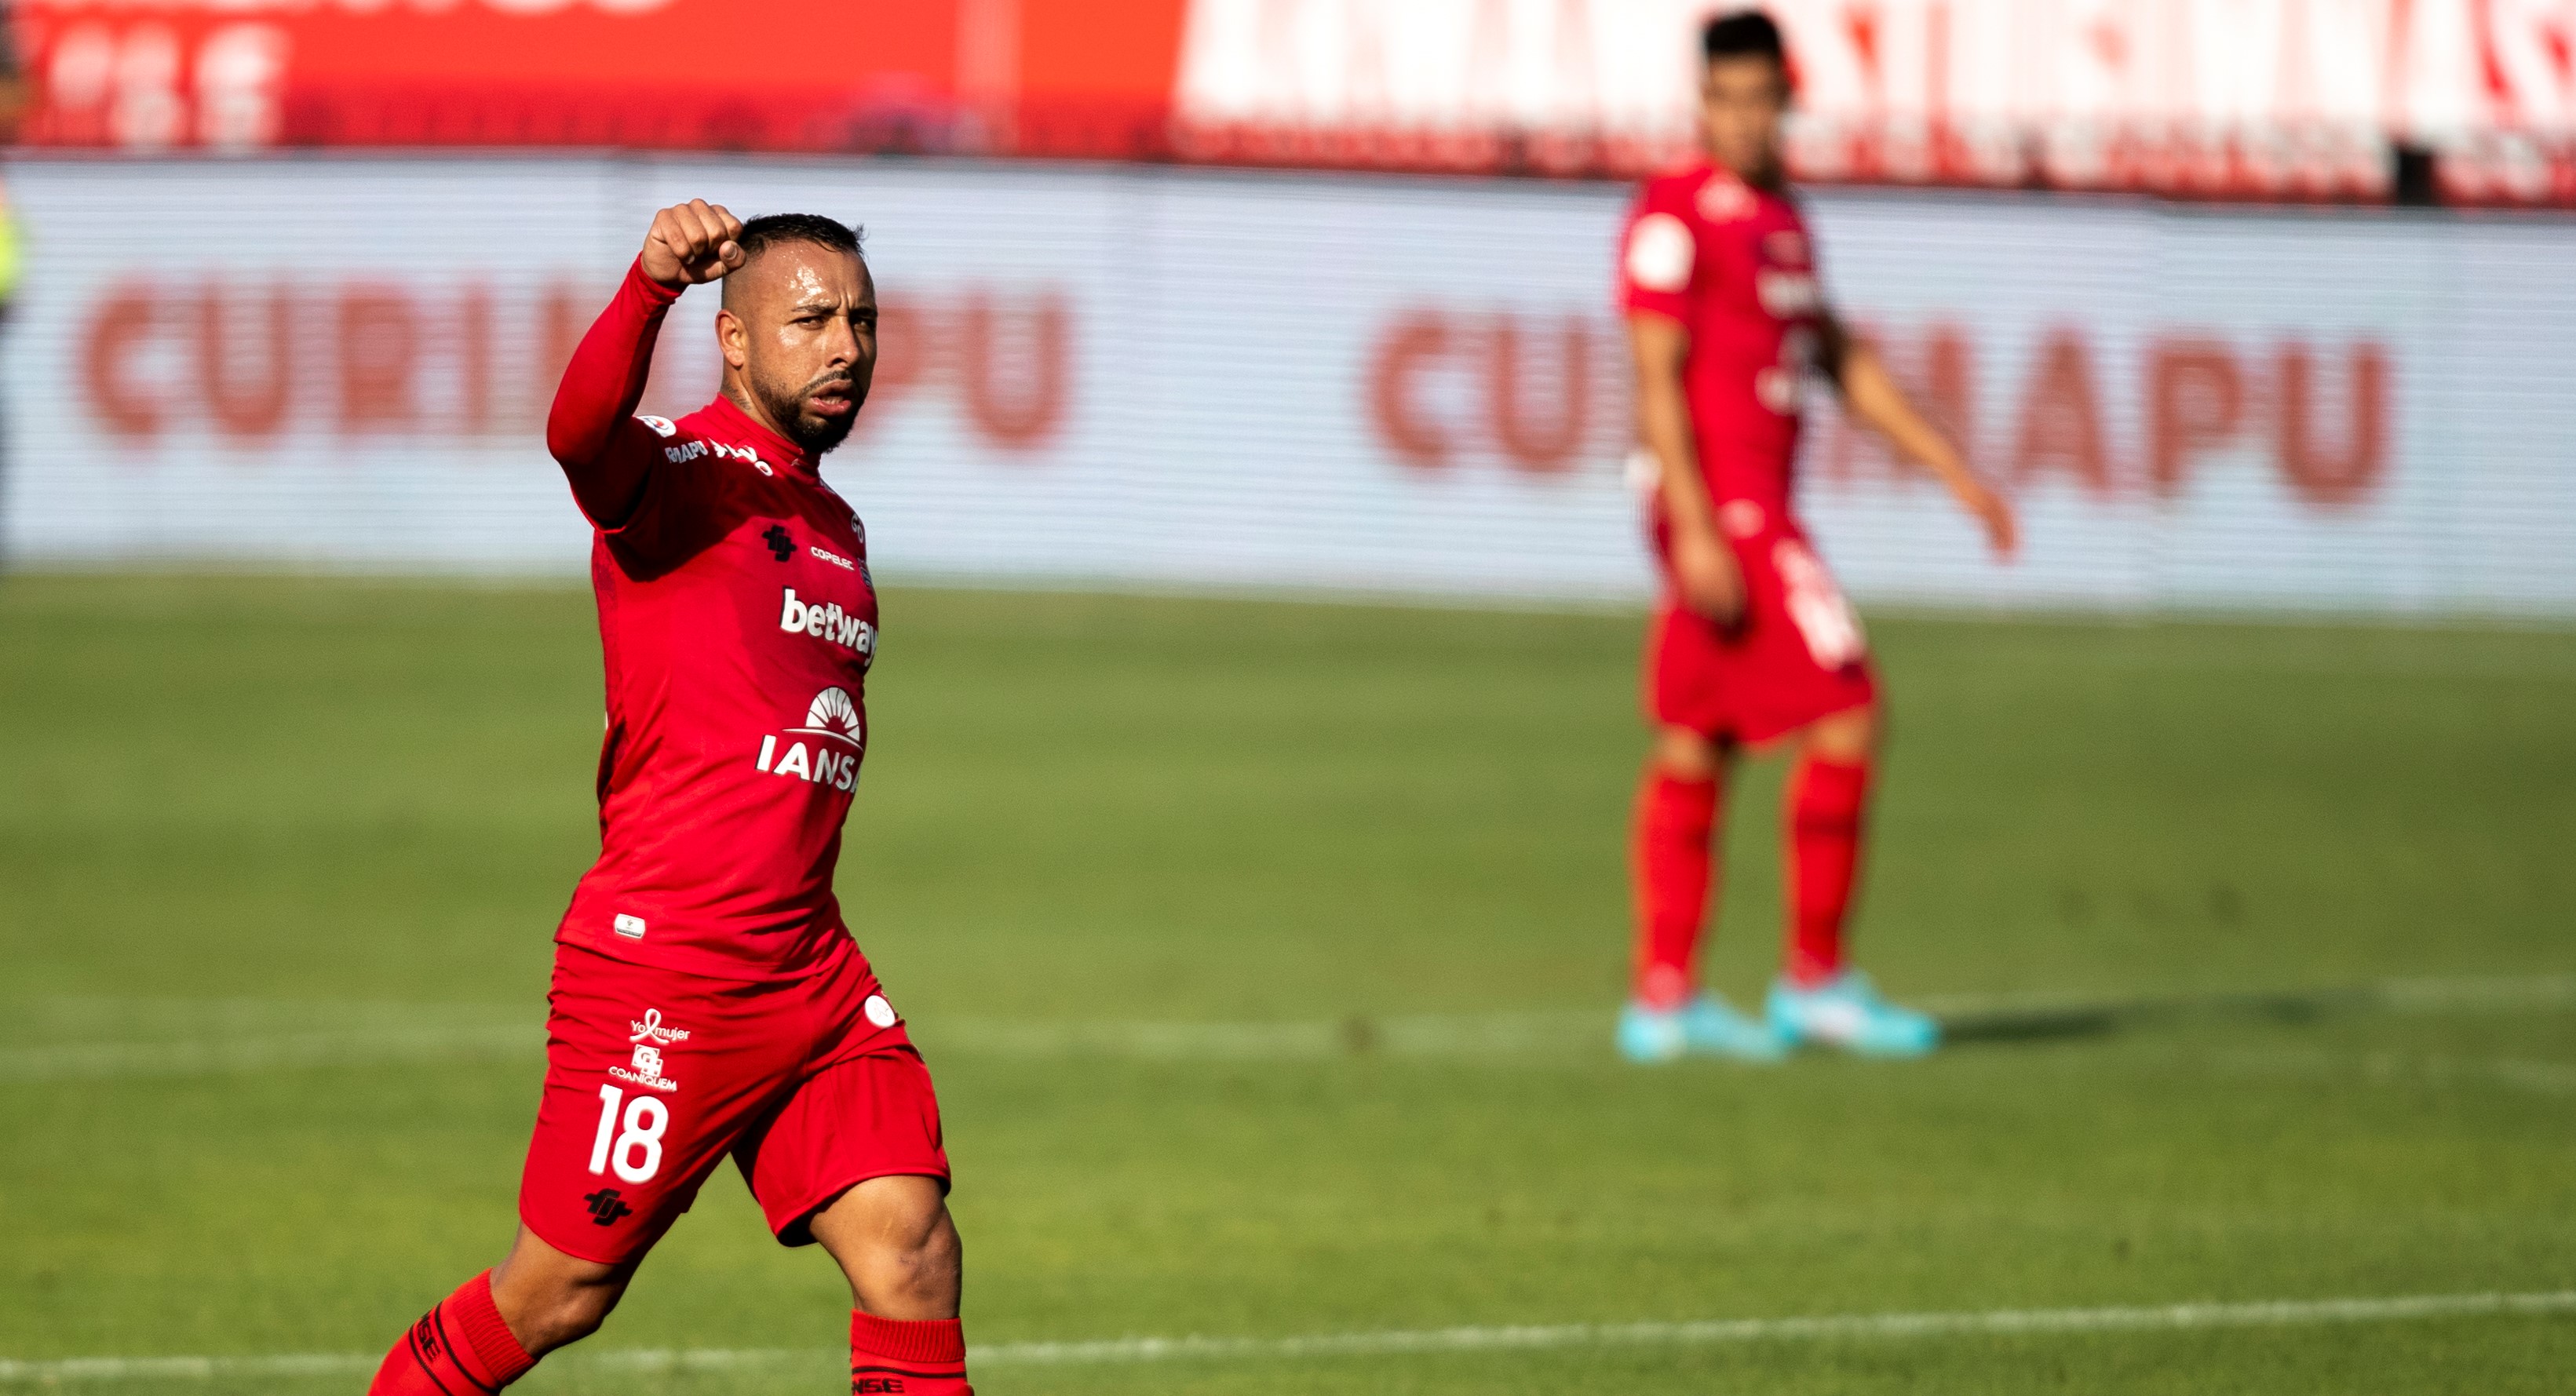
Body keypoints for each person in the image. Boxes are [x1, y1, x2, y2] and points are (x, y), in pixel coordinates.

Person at [365, 202, 973, 1394]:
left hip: (806, 969)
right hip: (669, 965)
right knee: (557, 1295)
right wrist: (645, 286)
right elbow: (574, 432)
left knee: (911, 1253)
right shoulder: (676, 475)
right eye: (809, 321)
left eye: (862, 320)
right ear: (734, 341)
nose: (845, 345)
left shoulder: (833, 519)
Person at [1616, 12, 2016, 1063]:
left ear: (1787, 100)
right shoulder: (1672, 215)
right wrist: (1695, 525)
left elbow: (1840, 359)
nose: (1745, 119)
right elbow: (1653, 375)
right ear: (1700, 102)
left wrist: (1949, 469)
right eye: (1727, 99)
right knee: (1848, 706)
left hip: (1748, 510)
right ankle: (1816, 981)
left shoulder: (1785, 219)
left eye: (1762, 99)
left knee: (1696, 739)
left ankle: (1663, 997)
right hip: (1727, 510)